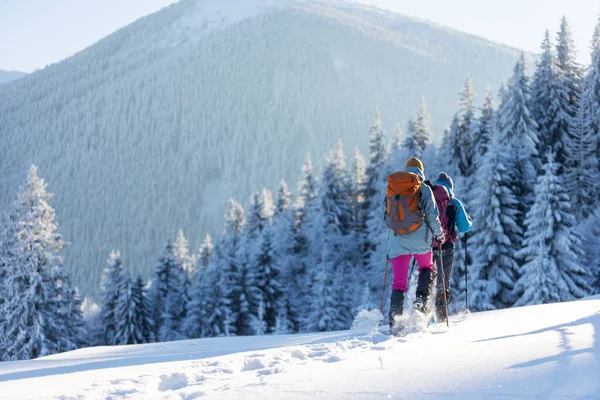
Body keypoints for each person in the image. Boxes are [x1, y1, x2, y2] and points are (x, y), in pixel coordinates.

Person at [386, 157, 444, 334]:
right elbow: (433, 215)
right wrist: (439, 235)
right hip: (421, 239)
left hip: (397, 240)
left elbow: (387, 215)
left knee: (399, 282)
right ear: (421, 172)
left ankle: (395, 320)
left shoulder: (393, 188)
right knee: (427, 267)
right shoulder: (424, 188)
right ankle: (420, 304)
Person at [428, 172, 472, 322]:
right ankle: (441, 317)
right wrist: (469, 221)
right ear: (450, 188)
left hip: (427, 248)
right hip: (446, 247)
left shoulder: (428, 199)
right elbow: (465, 227)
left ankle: (423, 314)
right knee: (443, 281)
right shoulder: (454, 203)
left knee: (427, 279)